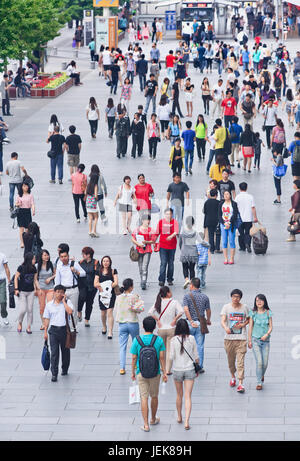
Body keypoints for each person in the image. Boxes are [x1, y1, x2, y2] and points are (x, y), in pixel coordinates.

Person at [130, 316, 167, 432]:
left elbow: (134, 357)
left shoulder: (137, 340)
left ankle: (146, 425)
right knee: (154, 396)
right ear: (154, 327)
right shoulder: (158, 340)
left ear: (143, 326)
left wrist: (132, 372)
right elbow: (161, 357)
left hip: (141, 372)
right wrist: (164, 372)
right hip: (155, 372)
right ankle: (153, 418)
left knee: (144, 397)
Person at [169, 319, 199, 430]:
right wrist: (197, 367)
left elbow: (171, 357)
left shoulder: (173, 340)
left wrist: (167, 370)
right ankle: (187, 421)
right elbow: (196, 356)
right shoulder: (191, 339)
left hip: (177, 370)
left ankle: (179, 416)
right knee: (188, 396)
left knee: (179, 395)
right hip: (189, 369)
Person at [149, 287, 184, 374]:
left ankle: (162, 367)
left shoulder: (158, 302)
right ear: (168, 293)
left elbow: (150, 312)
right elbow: (181, 311)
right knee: (169, 350)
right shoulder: (174, 302)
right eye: (170, 291)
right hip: (171, 329)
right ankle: (168, 370)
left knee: (162, 350)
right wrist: (175, 319)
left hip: (161, 329)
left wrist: (158, 320)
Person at [221, 288, 250, 393]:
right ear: (231, 297)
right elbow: (223, 320)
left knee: (240, 362)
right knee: (231, 360)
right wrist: (226, 328)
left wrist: (243, 324)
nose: (235, 299)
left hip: (241, 338)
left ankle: (241, 383)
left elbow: (249, 318)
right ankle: (233, 376)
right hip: (229, 338)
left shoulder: (245, 307)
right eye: (234, 296)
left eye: (237, 297)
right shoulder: (226, 307)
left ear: (240, 298)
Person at [43, 285, 74, 382]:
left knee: (65, 352)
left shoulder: (68, 303)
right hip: (53, 331)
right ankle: (54, 373)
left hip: (64, 330)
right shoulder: (49, 305)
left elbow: (70, 311)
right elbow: (47, 319)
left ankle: (65, 369)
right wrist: (45, 332)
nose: (59, 294)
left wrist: (64, 302)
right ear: (54, 292)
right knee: (54, 353)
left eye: (61, 292)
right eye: (58, 292)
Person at [183, 278, 211, 373]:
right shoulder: (205, 297)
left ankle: (189, 365)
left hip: (190, 323)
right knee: (200, 346)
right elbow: (208, 310)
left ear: (191, 285)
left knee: (188, 344)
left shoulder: (187, 296)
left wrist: (190, 321)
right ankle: (199, 366)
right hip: (200, 323)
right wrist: (208, 320)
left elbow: (186, 310)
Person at [115, 278, 141, 375]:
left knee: (122, 346)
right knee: (136, 344)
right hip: (133, 322)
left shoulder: (118, 297)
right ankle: (136, 364)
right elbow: (139, 310)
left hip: (122, 324)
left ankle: (122, 368)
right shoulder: (134, 297)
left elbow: (117, 309)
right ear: (131, 287)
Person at [248, 294, 273, 390]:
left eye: (261, 300)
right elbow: (250, 327)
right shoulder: (253, 313)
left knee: (265, 363)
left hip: (266, 341)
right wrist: (249, 340)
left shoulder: (268, 313)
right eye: (257, 300)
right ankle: (259, 382)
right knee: (259, 362)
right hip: (255, 341)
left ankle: (261, 374)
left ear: (264, 301)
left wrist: (267, 334)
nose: (259, 302)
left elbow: (271, 326)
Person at [54, 249, 86, 324]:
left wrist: (75, 271)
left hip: (73, 289)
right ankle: (64, 326)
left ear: (68, 256)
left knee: (73, 309)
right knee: (61, 308)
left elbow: (83, 273)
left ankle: (73, 327)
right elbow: (57, 279)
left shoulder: (74, 264)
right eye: (61, 257)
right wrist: (56, 291)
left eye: (65, 256)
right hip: (62, 290)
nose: (63, 258)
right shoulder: (59, 266)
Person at [15, 252, 40, 334]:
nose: (35, 260)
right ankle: (20, 322)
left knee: (30, 310)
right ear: (29, 259)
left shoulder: (34, 268)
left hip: (31, 292)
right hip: (22, 291)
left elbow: (35, 280)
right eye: (34, 259)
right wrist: (16, 289)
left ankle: (28, 326)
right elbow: (16, 278)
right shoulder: (21, 268)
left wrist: (38, 289)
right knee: (23, 310)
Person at [94, 256, 118, 337]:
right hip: (102, 295)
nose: (105, 263)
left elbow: (115, 283)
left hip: (111, 295)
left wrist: (108, 285)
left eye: (107, 261)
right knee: (103, 313)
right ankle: (104, 326)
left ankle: (110, 332)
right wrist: (103, 286)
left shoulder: (113, 271)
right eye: (104, 261)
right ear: (102, 262)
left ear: (110, 262)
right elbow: (95, 283)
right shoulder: (98, 271)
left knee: (110, 312)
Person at [156, 208, 179, 287]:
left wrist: (171, 236)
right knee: (163, 263)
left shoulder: (174, 222)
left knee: (171, 263)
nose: (168, 216)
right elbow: (157, 233)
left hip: (172, 246)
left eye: (170, 214)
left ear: (172, 214)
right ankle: (161, 280)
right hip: (163, 246)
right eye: (167, 214)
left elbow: (176, 231)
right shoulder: (161, 222)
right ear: (164, 214)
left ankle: (170, 279)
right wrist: (153, 241)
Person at [132, 214, 155, 290]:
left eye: (149, 220)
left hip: (147, 250)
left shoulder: (151, 230)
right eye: (146, 220)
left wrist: (146, 242)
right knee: (140, 267)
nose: (147, 221)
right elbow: (132, 238)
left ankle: (143, 282)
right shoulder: (137, 230)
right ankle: (142, 279)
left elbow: (153, 241)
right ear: (142, 221)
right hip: (139, 250)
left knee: (145, 267)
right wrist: (138, 244)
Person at [77, 247, 99, 327]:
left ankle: (87, 319)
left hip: (92, 286)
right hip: (82, 284)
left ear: (88, 255)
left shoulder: (96, 263)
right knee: (81, 298)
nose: (82, 255)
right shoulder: (80, 262)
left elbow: (97, 273)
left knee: (89, 302)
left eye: (84, 254)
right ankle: (79, 311)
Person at [235, 182, 258, 252]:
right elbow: (253, 208)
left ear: (239, 188)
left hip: (240, 218)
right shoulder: (250, 197)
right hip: (248, 218)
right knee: (248, 232)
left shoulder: (237, 197)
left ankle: (242, 247)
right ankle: (247, 243)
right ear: (247, 188)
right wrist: (255, 217)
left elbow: (235, 208)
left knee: (240, 233)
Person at [218, 190, 238, 264]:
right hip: (223, 224)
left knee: (232, 241)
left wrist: (229, 222)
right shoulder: (221, 204)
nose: (226, 195)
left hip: (231, 225)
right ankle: (226, 258)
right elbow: (219, 215)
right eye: (224, 194)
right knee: (224, 242)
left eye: (227, 194)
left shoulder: (234, 204)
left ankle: (232, 258)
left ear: (230, 195)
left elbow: (235, 214)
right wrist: (224, 223)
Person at [37, 249, 55, 330]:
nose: (46, 257)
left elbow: (56, 274)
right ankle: (43, 323)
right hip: (41, 288)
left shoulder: (51, 264)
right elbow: (35, 279)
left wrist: (50, 278)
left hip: (50, 288)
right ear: (41, 256)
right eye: (44, 255)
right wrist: (38, 288)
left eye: (47, 255)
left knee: (50, 305)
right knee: (42, 307)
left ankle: (50, 322)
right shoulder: (37, 266)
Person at [15, 182, 35, 249]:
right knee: (21, 228)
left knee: (27, 229)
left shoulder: (30, 195)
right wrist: (18, 204)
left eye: (26, 186)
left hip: (27, 212)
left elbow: (32, 204)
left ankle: (27, 241)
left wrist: (33, 210)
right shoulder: (19, 195)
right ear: (21, 187)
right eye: (24, 186)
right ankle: (22, 242)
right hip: (20, 212)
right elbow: (16, 204)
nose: (26, 187)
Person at [203, 188, 221, 254]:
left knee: (211, 235)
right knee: (218, 234)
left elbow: (205, 211)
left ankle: (212, 249)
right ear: (216, 195)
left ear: (210, 195)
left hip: (209, 220)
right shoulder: (219, 203)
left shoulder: (206, 202)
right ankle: (217, 248)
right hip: (217, 221)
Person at [0, 252, 11, 326]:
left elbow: (6, 268)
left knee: (3, 300)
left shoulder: (2, 255)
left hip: (2, 280)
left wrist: (9, 279)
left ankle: (4, 315)